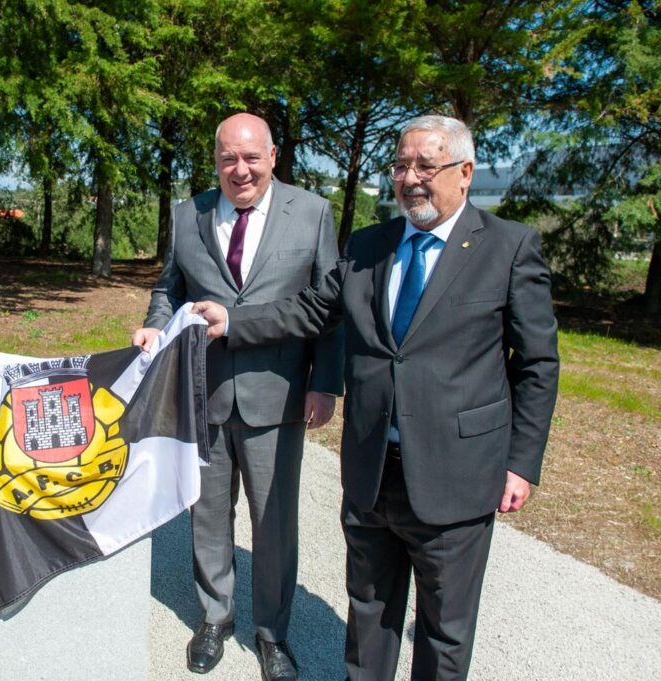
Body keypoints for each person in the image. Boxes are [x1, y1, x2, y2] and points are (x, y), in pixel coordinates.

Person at [193, 115, 559, 680]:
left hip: (455, 473)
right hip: (371, 470)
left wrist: (520, 463)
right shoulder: (369, 246)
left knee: (444, 629)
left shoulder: (508, 247)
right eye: (401, 166)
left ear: (464, 173)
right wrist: (233, 322)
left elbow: (536, 364)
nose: (410, 178)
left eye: (425, 166)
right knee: (368, 615)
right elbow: (313, 309)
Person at [132, 112, 344, 681]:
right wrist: (155, 325)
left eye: (251, 157)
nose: (240, 169)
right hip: (201, 393)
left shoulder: (313, 213)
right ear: (216, 161)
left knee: (274, 521)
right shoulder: (187, 215)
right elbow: (167, 289)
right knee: (207, 514)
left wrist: (325, 383)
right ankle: (215, 617)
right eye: (229, 158)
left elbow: (328, 306)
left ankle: (272, 632)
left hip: (278, 396)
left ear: (273, 156)